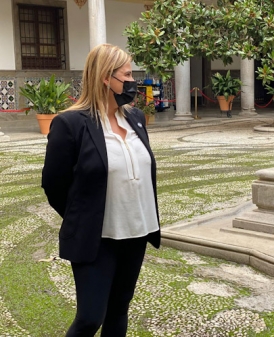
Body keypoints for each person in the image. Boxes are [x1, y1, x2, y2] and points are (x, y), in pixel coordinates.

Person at [42, 43, 161, 337]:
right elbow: (53, 183)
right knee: (91, 317)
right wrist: (84, 215)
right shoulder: (70, 124)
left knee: (119, 309)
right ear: (107, 78)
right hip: (98, 237)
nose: (133, 81)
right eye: (128, 74)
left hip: (136, 231)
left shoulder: (135, 118)